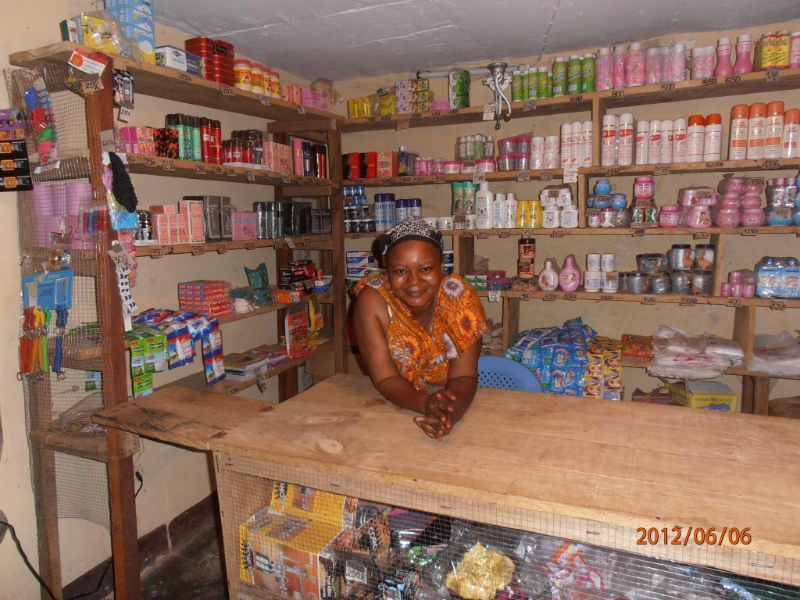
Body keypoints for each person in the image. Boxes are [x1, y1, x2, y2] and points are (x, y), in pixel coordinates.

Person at [353, 216, 489, 440]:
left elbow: (464, 376)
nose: (414, 282)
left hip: (455, 397)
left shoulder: (458, 298)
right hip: (393, 410)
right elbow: (386, 378)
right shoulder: (374, 302)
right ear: (387, 271)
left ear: (441, 268)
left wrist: (448, 414)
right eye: (401, 271)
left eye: (426, 269)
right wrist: (426, 404)